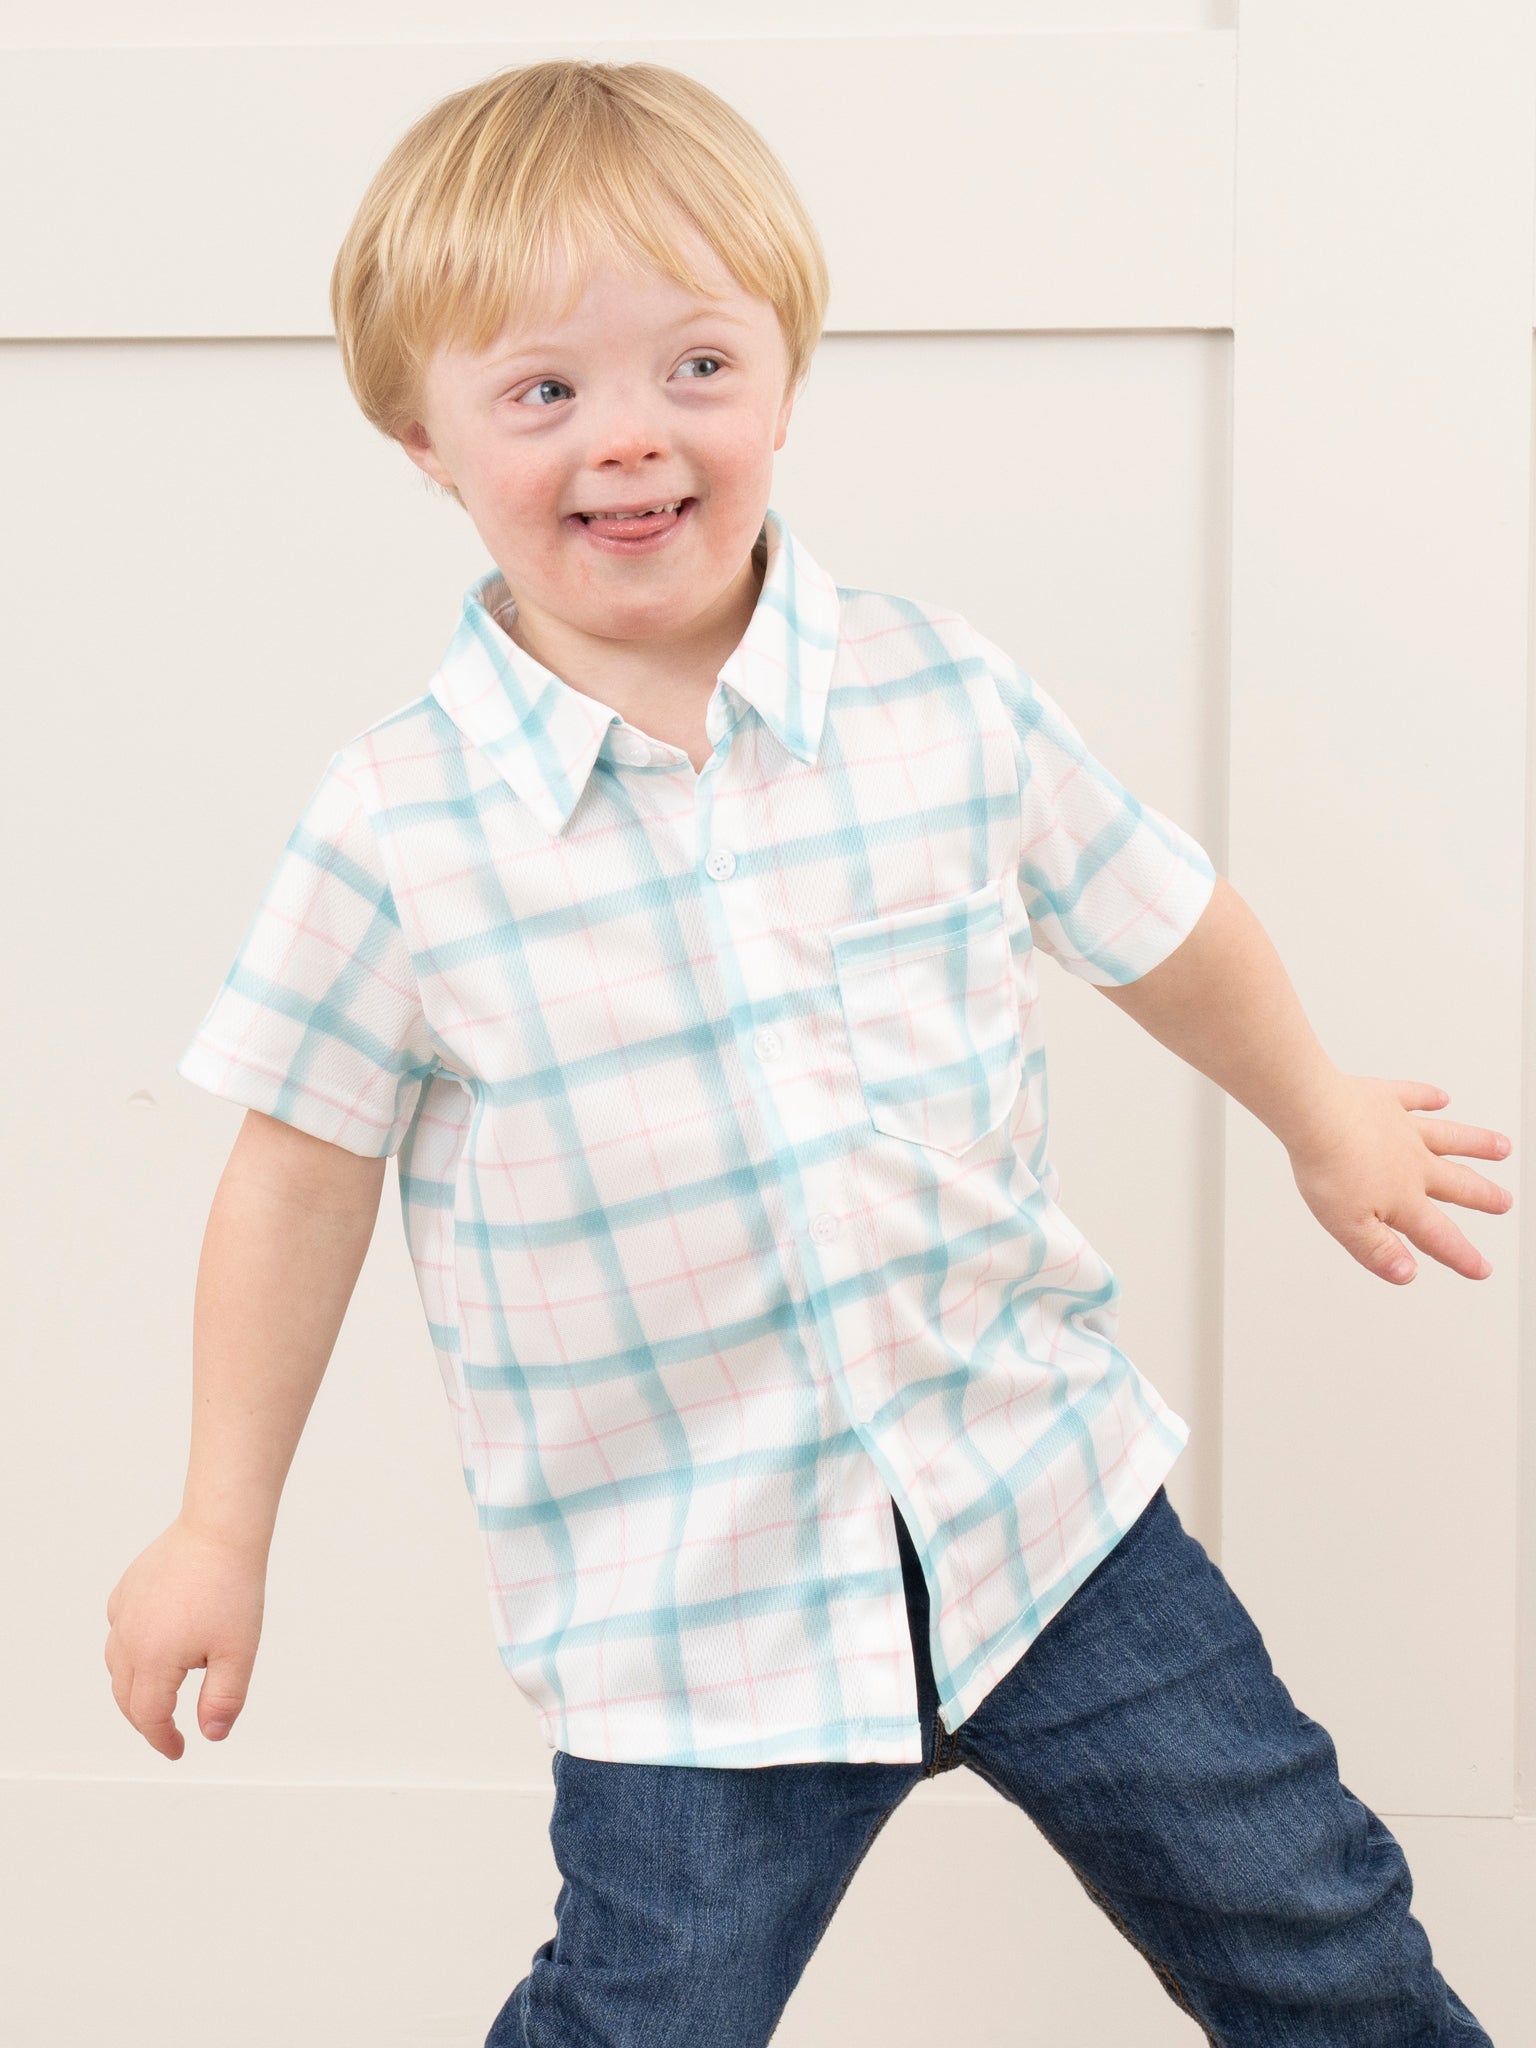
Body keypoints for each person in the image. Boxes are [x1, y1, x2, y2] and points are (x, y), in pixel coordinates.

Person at [104, 57, 1507, 2047]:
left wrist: (1322, 1110)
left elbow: (1160, 917)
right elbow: (297, 1176)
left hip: (1044, 1514)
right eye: (543, 390)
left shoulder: (941, 698)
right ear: (421, 436)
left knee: (1317, 1923)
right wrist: (216, 1525)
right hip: (697, 1620)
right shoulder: (399, 829)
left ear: (783, 377)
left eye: (696, 365)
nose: (632, 435)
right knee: (643, 2017)